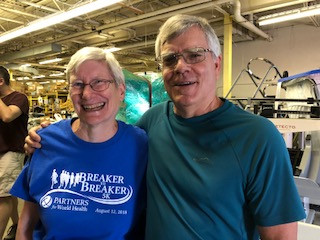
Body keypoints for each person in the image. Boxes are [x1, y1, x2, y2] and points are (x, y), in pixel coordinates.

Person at [25, 15, 305, 240]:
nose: (181, 66)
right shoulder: (151, 122)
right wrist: (53, 135)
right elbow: (104, 141)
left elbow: (281, 234)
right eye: (170, 59)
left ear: (217, 64)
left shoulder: (257, 137)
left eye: (195, 55)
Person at [11, 47, 148, 240]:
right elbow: (25, 226)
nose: (86, 94)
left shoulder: (141, 144)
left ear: (121, 90)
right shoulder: (44, 142)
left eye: (98, 82)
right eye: (77, 84)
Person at [0, 66, 29, 240]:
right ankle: (17, 226)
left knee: (2, 197)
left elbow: (7, 116)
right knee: (7, 193)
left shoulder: (19, 98)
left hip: (11, 152)